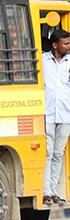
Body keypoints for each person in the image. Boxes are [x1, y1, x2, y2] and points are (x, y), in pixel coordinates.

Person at [42, 28, 70, 206]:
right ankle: (45, 191)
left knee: (58, 153)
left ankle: (52, 190)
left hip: (65, 113)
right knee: (47, 152)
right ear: (55, 45)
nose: (68, 46)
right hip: (47, 113)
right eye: (65, 43)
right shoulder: (43, 61)